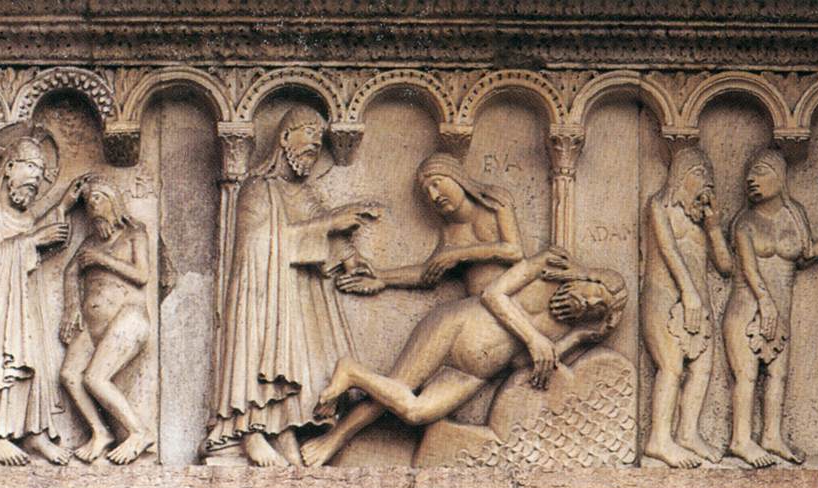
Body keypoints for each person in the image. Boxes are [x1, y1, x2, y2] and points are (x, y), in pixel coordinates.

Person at [301, 250, 626, 465]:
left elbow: (520, 367)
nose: (588, 304)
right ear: (590, 278)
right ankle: (334, 439)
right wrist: (533, 338)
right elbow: (493, 294)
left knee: (415, 411)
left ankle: (354, 374)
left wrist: (577, 338)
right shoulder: (549, 266)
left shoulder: (563, 331)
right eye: (595, 295)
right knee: (398, 385)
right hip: (457, 327)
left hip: (475, 373)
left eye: (597, 309)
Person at [204, 106, 382, 466]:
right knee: (261, 357)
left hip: (298, 300)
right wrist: (328, 225)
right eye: (307, 132)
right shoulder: (258, 187)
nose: (315, 142)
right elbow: (255, 242)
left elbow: (323, 228)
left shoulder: (304, 193)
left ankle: (283, 433)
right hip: (261, 295)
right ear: (284, 137)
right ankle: (250, 432)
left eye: (319, 137)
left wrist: (350, 257)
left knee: (295, 366)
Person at [0, 125, 83, 466]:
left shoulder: (25, 217)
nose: (35, 179)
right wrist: (32, 241)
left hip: (24, 304)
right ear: (8, 167)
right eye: (29, 168)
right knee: (3, 362)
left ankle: (33, 432)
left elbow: (35, 236)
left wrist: (63, 206)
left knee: (33, 358)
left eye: (40, 174)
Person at [724, 147, 818, 467]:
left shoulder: (795, 215)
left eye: (761, 171)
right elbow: (748, 270)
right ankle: (741, 440)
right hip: (747, 306)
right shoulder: (745, 222)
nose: (752, 179)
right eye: (749, 174)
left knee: (778, 374)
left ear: (780, 178)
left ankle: (772, 437)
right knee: (747, 374)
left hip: (781, 309)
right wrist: (765, 304)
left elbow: (805, 254)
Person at [641, 146, 733, 468]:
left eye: (708, 175)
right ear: (680, 176)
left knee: (703, 368)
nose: (706, 181)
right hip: (664, 297)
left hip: (699, 303)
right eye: (699, 173)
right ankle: (658, 440)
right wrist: (688, 292)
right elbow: (669, 251)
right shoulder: (660, 206)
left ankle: (688, 433)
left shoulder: (701, 219)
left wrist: (714, 227)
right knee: (671, 366)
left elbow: (725, 266)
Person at [336, 152, 523, 298]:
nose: (434, 196)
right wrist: (381, 277)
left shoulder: (494, 201)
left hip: (510, 293)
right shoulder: (450, 233)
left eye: (436, 184)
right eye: (427, 193)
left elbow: (514, 251)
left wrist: (458, 254)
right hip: (478, 302)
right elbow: (427, 273)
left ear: (456, 177)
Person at [59, 176, 154, 465]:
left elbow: (142, 275)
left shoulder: (134, 233)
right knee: (70, 375)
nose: (92, 206)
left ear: (114, 201)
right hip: (92, 325)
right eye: (88, 202)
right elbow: (70, 273)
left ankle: (139, 432)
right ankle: (100, 432)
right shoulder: (89, 242)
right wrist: (71, 307)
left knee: (95, 378)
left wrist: (103, 260)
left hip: (127, 319)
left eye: (98, 198)